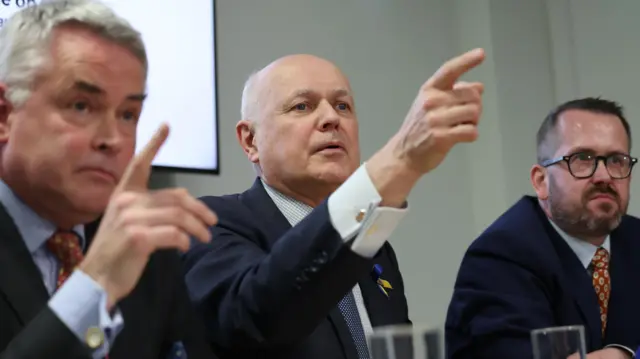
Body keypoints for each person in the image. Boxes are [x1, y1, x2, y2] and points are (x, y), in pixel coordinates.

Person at [182, 50, 486, 359]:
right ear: (250, 140)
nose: (331, 118)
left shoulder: (373, 248)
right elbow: (258, 316)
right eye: (302, 106)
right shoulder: (207, 223)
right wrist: (399, 159)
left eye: (343, 106)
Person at [0, 1, 218, 358]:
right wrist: (95, 282)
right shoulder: (120, 252)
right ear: (4, 115)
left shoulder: (146, 251)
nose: (113, 139)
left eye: (129, 114)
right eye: (82, 106)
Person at [445, 98, 640, 359]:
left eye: (617, 160)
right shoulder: (500, 256)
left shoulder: (635, 239)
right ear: (541, 181)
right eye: (582, 158)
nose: (604, 176)